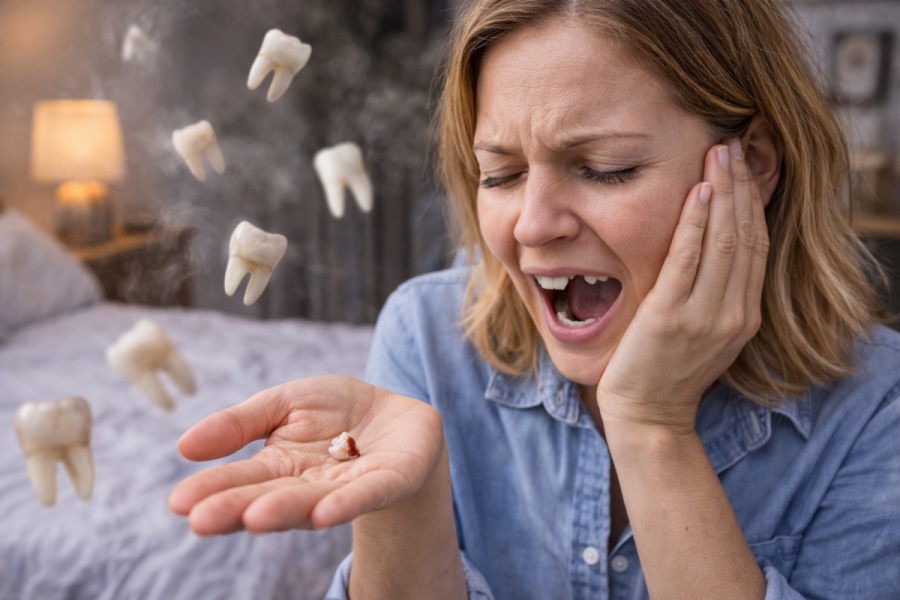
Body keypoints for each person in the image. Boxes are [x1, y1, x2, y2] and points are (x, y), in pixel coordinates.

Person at [168, 0, 900, 598]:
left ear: (755, 165)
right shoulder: (426, 337)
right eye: (501, 175)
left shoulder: (877, 408)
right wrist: (403, 507)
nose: (532, 226)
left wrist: (652, 426)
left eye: (604, 168)